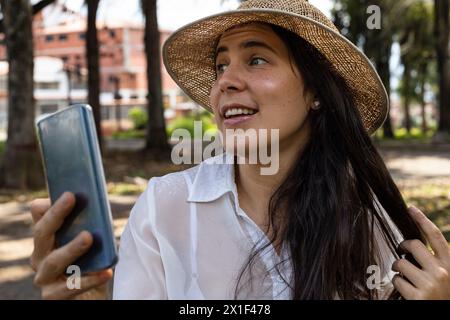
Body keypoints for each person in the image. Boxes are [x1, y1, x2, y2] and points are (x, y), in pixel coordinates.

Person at [29, 0, 450, 300]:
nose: (225, 81)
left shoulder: (372, 221)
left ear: (316, 93)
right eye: (220, 65)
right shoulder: (164, 208)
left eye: (257, 60)